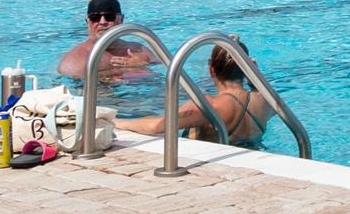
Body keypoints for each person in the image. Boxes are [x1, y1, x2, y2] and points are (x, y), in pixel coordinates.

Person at [114, 45, 267, 147]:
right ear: (246, 70)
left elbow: (158, 126)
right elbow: (259, 90)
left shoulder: (208, 105)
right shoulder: (264, 101)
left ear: (211, 70)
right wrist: (255, 76)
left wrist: (117, 122)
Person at [58, 0, 150, 79]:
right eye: (95, 18)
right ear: (88, 22)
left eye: (109, 16)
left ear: (121, 19)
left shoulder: (138, 50)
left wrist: (145, 62)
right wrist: (106, 79)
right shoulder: (77, 61)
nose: (102, 22)